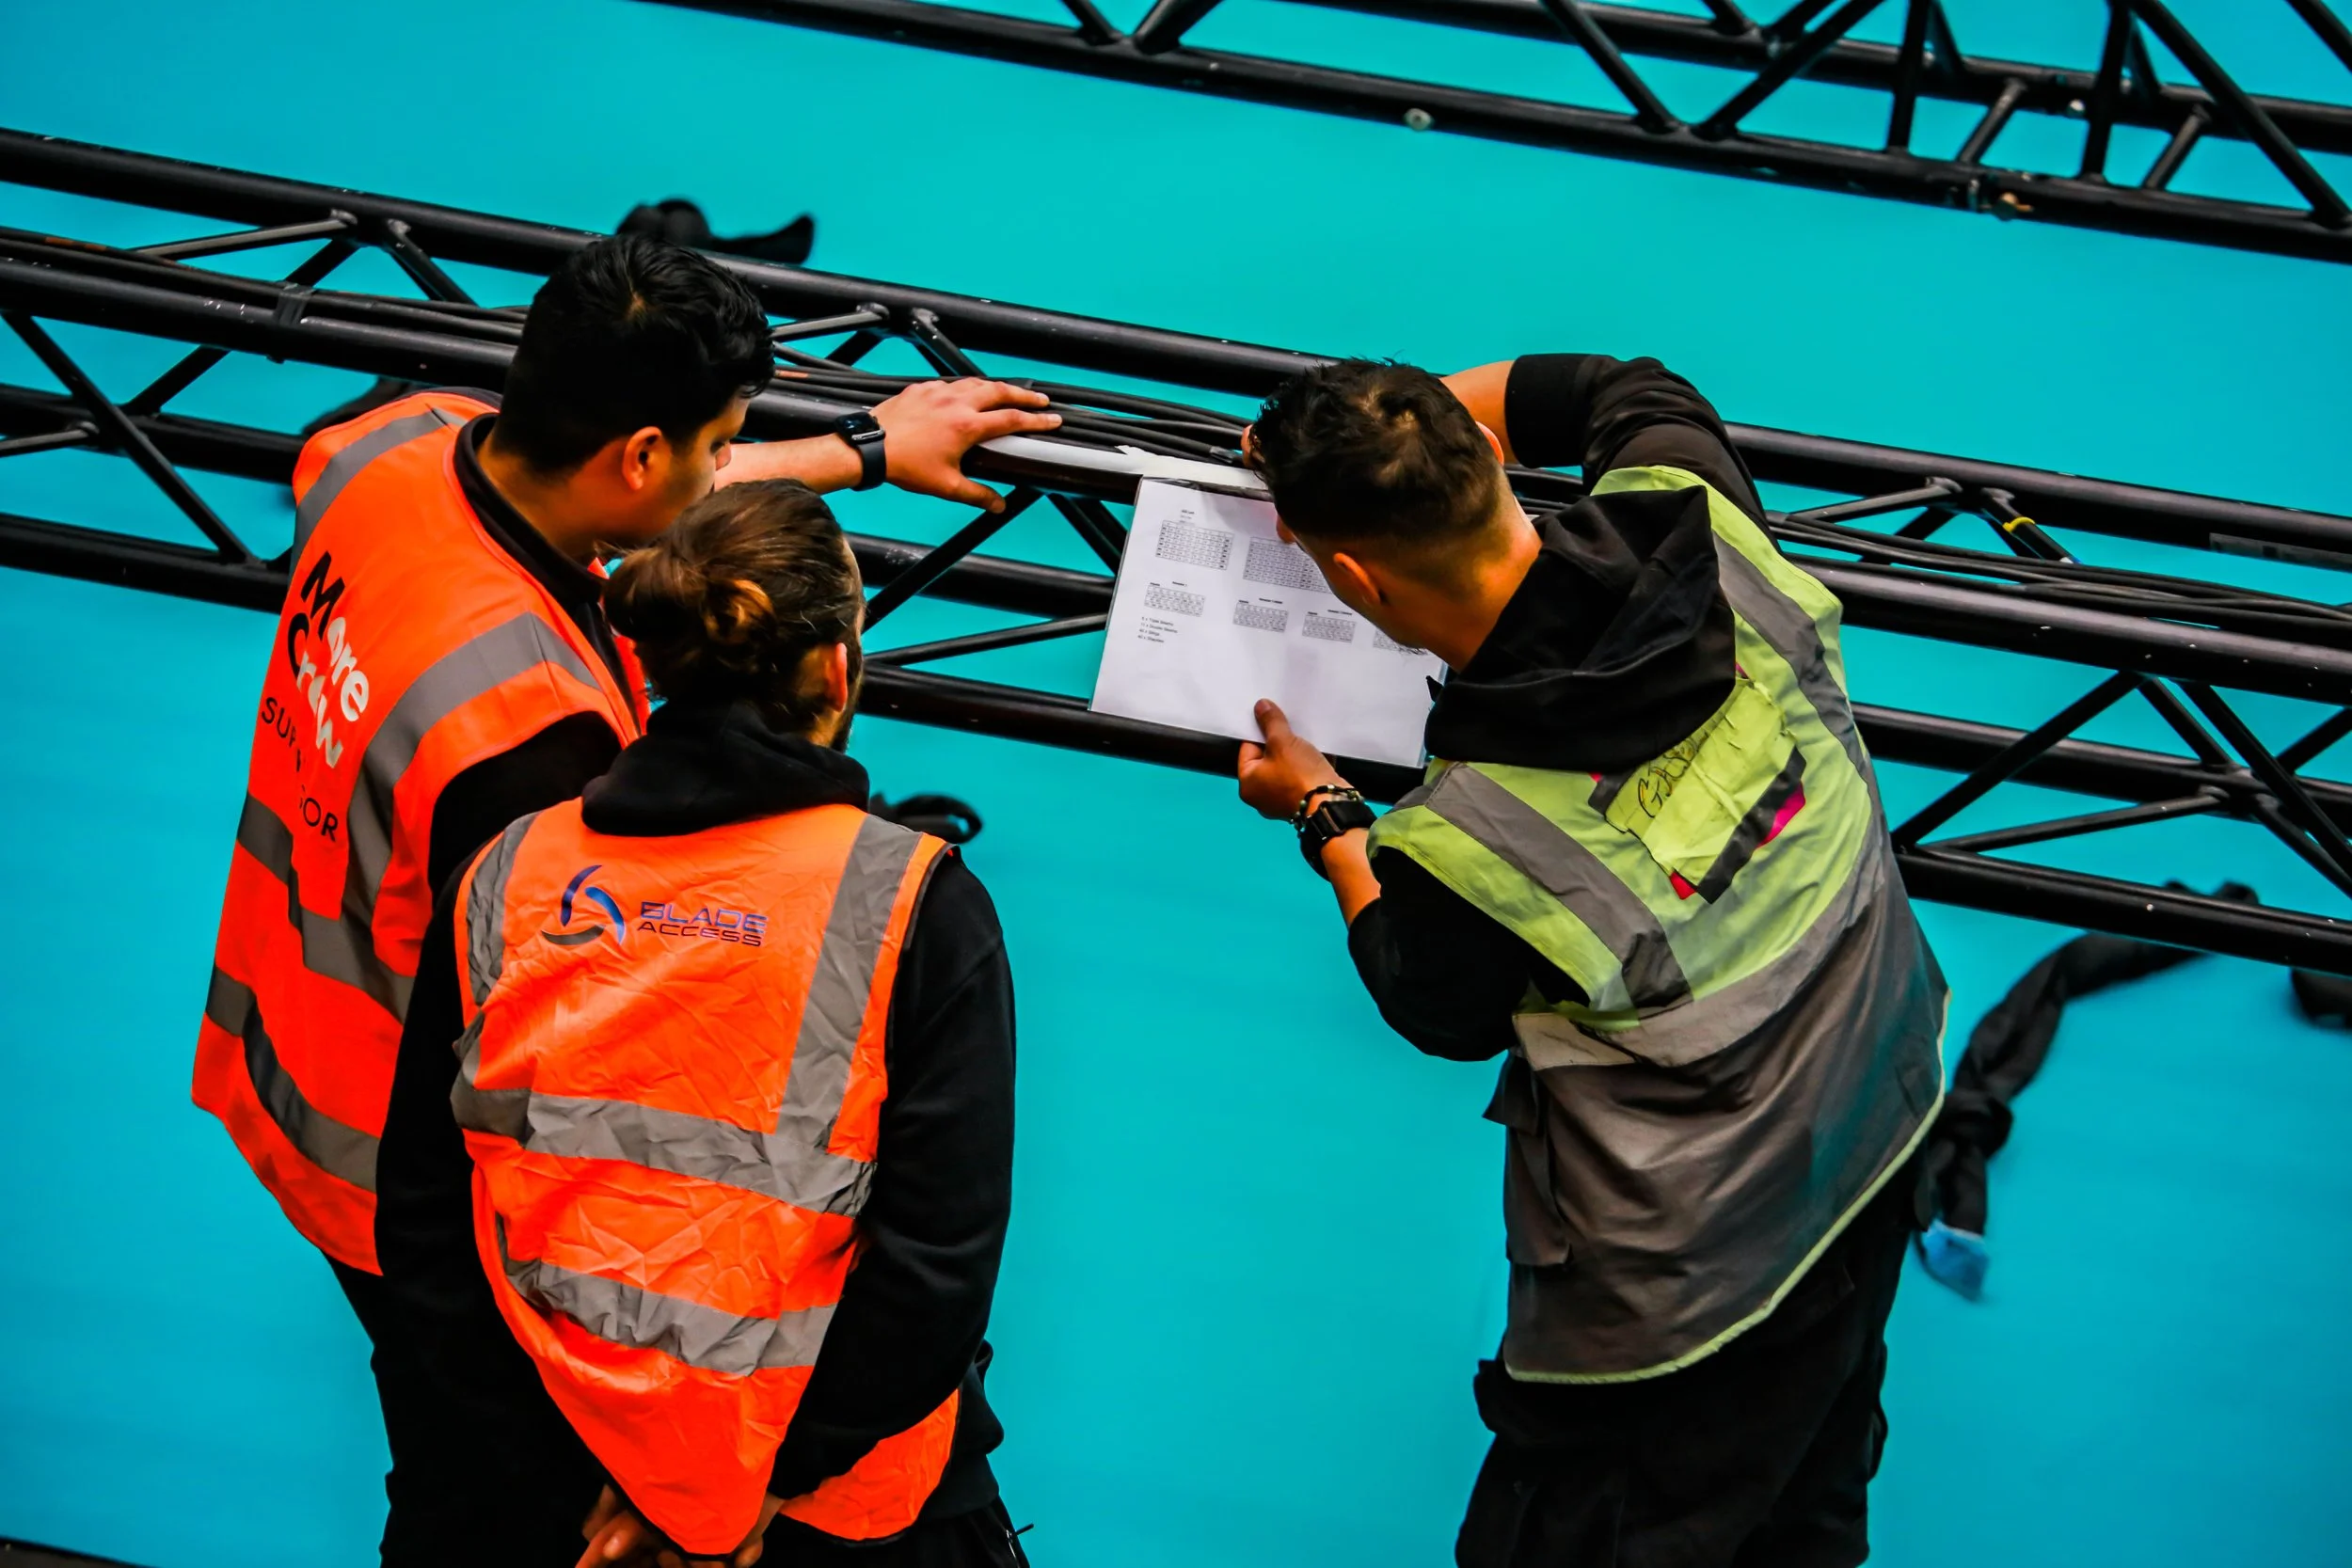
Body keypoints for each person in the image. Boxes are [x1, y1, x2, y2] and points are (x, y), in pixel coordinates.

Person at [192, 231, 1055, 1560]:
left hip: (283, 1054)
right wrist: (671, 1492)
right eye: (721, 445)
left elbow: (621, 503)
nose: (724, 465)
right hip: (415, 1173)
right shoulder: (536, 753)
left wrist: (858, 452)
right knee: (521, 1487)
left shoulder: (388, 442)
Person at [1232, 354, 1948, 1568]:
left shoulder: (1469, 845)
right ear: (1486, 460)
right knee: (1807, 1520)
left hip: (1691, 1299)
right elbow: (1625, 382)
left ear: (1351, 573)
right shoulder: (1701, 512)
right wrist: (1406, 427)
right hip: (1879, 1121)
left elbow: (1430, 996)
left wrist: (1327, 817)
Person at [376, 480, 1020, 1566]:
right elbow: (936, 1266)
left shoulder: (507, 871)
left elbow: (425, 1215)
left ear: (656, 662)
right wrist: (726, 1500)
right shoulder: (912, 903)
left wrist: (581, 1487)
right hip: (814, 1516)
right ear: (833, 666)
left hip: (545, 1502)